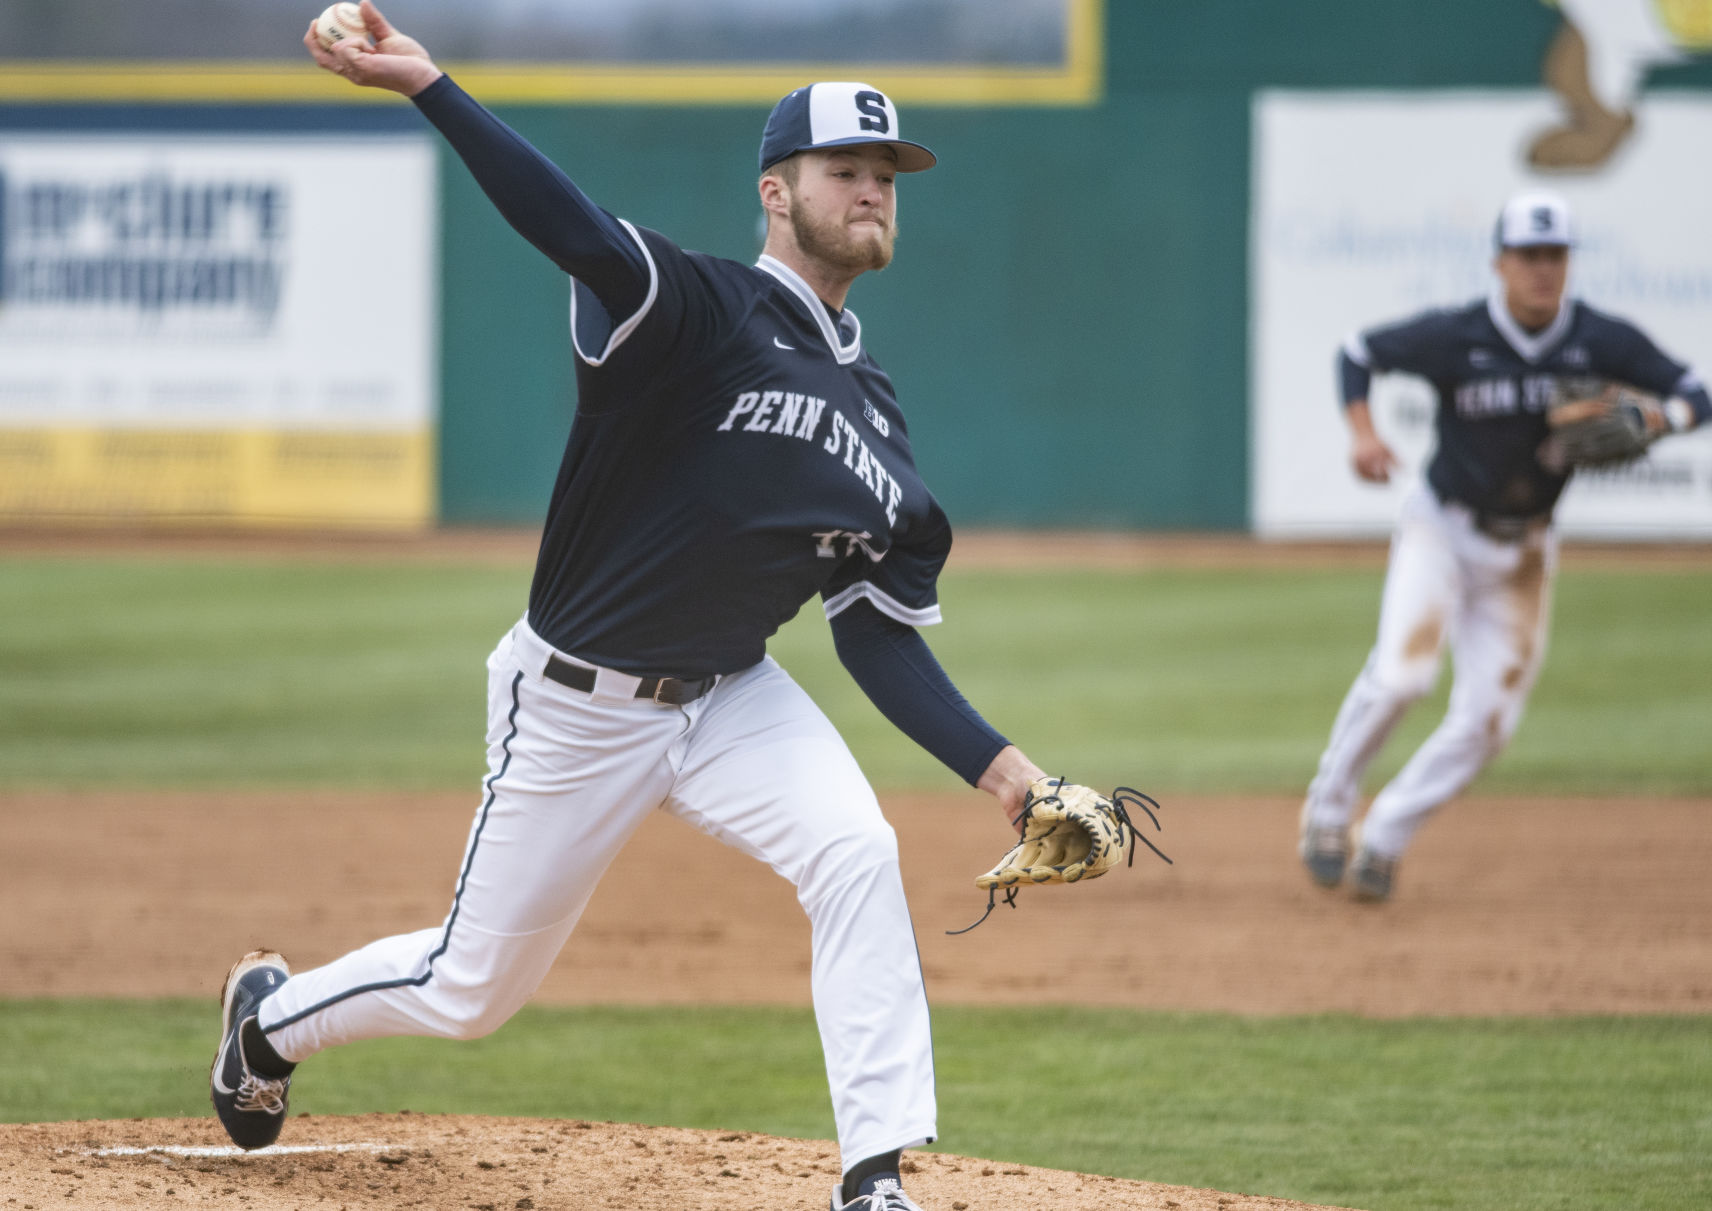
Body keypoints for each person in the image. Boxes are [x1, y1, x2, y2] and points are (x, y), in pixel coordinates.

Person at [208, 5, 1055, 1210]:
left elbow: (871, 630)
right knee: (470, 988)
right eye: (843, 169)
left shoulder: (872, 411)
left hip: (729, 693)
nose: (872, 188)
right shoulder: (699, 310)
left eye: (885, 173)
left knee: (856, 849)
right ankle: (268, 1022)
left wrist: (1007, 775)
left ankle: (872, 1177)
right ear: (776, 192)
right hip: (577, 702)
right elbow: (572, 228)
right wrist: (431, 87)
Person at [1297, 190, 1710, 902]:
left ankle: (1385, 837)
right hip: (1440, 529)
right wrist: (1362, 434)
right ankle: (1327, 813)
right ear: (1500, 263)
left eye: (1555, 255)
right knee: (1402, 678)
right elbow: (1357, 353)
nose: (1542, 269)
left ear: (1568, 263)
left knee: (1489, 723)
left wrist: (1660, 417)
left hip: (1524, 552)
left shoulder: (1598, 339)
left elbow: (1696, 390)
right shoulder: (1459, 334)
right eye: (1528, 255)